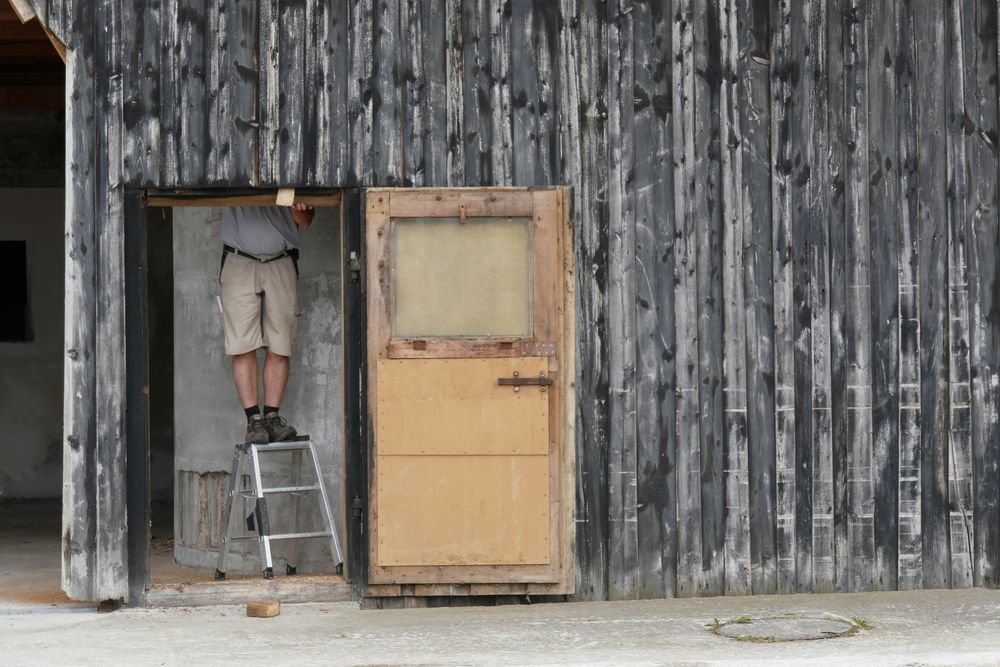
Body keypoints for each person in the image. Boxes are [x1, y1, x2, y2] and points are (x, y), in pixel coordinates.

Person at [218, 202, 315, 444]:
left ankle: (272, 418)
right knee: (242, 344)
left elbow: (305, 220)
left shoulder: (293, 168)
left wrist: (298, 205)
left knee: (280, 343)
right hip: (238, 258)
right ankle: (254, 420)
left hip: (281, 259)